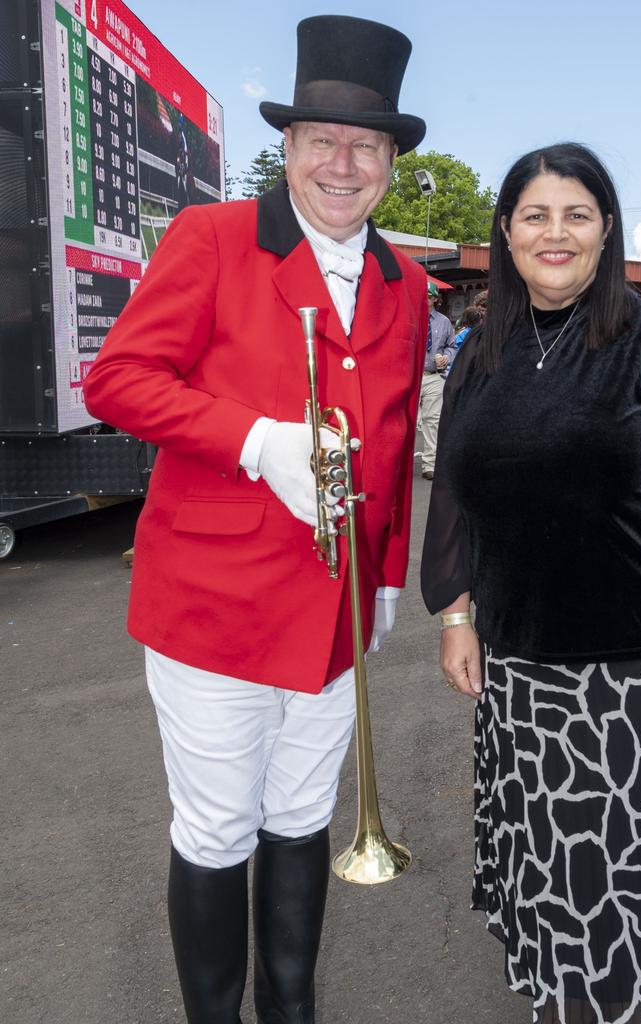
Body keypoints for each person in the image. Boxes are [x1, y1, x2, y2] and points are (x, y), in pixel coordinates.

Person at [83, 16, 427, 1024]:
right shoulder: (214, 238)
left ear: (392, 163)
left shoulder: (405, 284)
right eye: (321, 138)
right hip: (215, 608)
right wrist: (253, 439)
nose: (342, 162)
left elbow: (399, 446)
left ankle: (291, 1010)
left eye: (366, 145)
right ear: (287, 148)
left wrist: (392, 571)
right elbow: (119, 380)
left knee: (300, 819)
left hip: (335, 617)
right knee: (221, 824)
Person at [421, 142, 641, 1024]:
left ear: (606, 229)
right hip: (523, 675)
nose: (554, 232)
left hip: (639, 677)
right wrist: (454, 614)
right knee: (554, 883)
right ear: (507, 231)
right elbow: (453, 488)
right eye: (535, 214)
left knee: (635, 891)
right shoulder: (479, 352)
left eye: (576, 214)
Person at [420, 280, 455, 480]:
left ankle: (430, 464)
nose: (426, 300)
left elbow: (451, 346)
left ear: (435, 299)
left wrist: (446, 357)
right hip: (412, 377)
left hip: (433, 376)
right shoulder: (409, 317)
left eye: (430, 296)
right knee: (404, 421)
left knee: (432, 420)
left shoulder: (443, 321)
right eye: (423, 296)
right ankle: (400, 463)